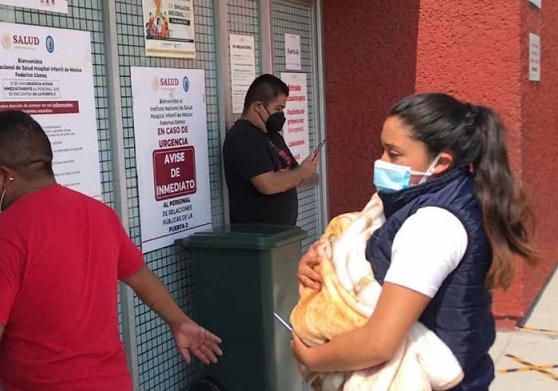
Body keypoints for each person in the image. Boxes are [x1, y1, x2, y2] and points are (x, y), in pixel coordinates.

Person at [0, 110, 222, 390]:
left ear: (4, 176)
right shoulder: (99, 214)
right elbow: (140, 276)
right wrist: (178, 321)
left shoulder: (3, 234)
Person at [292, 93, 538, 390]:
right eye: (382, 148)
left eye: (394, 154)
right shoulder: (435, 197)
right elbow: (367, 244)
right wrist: (323, 263)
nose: (381, 161)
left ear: (440, 162)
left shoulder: (432, 226)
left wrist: (311, 359)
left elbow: (378, 343)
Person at [222, 74, 319, 225]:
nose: (281, 115)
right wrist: (300, 172)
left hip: (283, 232)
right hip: (258, 234)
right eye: (277, 109)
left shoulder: (273, 135)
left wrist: (298, 172)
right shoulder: (243, 137)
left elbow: (293, 177)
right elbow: (269, 185)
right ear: (258, 106)